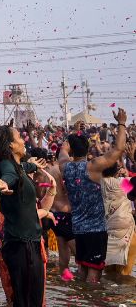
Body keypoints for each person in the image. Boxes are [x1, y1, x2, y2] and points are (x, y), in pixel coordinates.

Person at [0, 125, 50, 307]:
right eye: (19, 138)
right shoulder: (7, 167)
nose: (23, 140)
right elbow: (8, 175)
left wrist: (33, 165)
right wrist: (3, 183)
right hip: (22, 245)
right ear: (10, 145)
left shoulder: (16, 165)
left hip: (25, 243)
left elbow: (21, 167)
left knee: (27, 299)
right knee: (28, 301)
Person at [60, 108, 128, 282]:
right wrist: (121, 123)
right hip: (95, 230)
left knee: (82, 269)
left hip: (78, 228)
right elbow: (119, 149)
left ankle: (81, 299)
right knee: (94, 274)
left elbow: (62, 152)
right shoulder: (93, 166)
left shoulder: (65, 167)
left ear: (71, 151)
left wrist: (70, 138)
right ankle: (91, 299)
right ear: (88, 148)